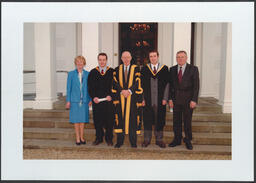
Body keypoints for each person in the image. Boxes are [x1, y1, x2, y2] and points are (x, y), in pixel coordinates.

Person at [168, 50, 199, 150]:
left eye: (182, 57)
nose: (180, 59)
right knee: (176, 121)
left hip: (188, 100)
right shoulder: (172, 69)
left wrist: (194, 100)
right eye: (178, 57)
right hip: (176, 99)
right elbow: (170, 86)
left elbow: (196, 86)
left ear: (186, 58)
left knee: (187, 121)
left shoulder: (193, 69)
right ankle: (177, 139)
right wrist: (170, 99)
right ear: (176, 58)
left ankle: (188, 140)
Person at [111, 51, 143, 148]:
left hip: (132, 98)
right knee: (120, 119)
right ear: (121, 58)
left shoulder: (136, 69)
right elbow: (115, 82)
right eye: (124, 57)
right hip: (120, 99)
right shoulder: (117, 69)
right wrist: (122, 91)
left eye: (128, 57)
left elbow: (138, 81)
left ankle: (133, 142)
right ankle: (119, 141)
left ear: (131, 58)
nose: (126, 59)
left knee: (132, 119)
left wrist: (129, 91)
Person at [140, 50, 169, 148]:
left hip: (160, 100)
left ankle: (159, 139)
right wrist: (142, 99)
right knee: (147, 119)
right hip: (148, 100)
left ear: (158, 56)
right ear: (149, 58)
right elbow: (141, 86)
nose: (153, 58)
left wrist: (165, 98)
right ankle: (147, 139)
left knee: (160, 119)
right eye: (151, 56)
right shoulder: (144, 69)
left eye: (154, 56)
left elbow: (167, 85)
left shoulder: (164, 69)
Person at [88, 53, 114, 146]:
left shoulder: (112, 71)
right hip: (97, 101)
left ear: (106, 60)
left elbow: (115, 86)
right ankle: (98, 138)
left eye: (104, 59)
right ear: (98, 60)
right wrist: (93, 96)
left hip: (108, 101)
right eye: (100, 59)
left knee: (109, 121)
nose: (102, 61)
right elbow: (90, 87)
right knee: (97, 121)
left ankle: (109, 138)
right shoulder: (93, 72)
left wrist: (111, 95)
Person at [66, 56, 92, 145]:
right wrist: (68, 101)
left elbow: (90, 88)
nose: (80, 64)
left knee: (83, 120)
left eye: (81, 62)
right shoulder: (71, 74)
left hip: (84, 100)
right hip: (74, 100)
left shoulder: (88, 74)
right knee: (76, 121)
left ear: (84, 63)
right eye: (78, 62)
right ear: (75, 63)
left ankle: (82, 137)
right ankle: (77, 138)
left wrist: (90, 99)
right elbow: (68, 88)